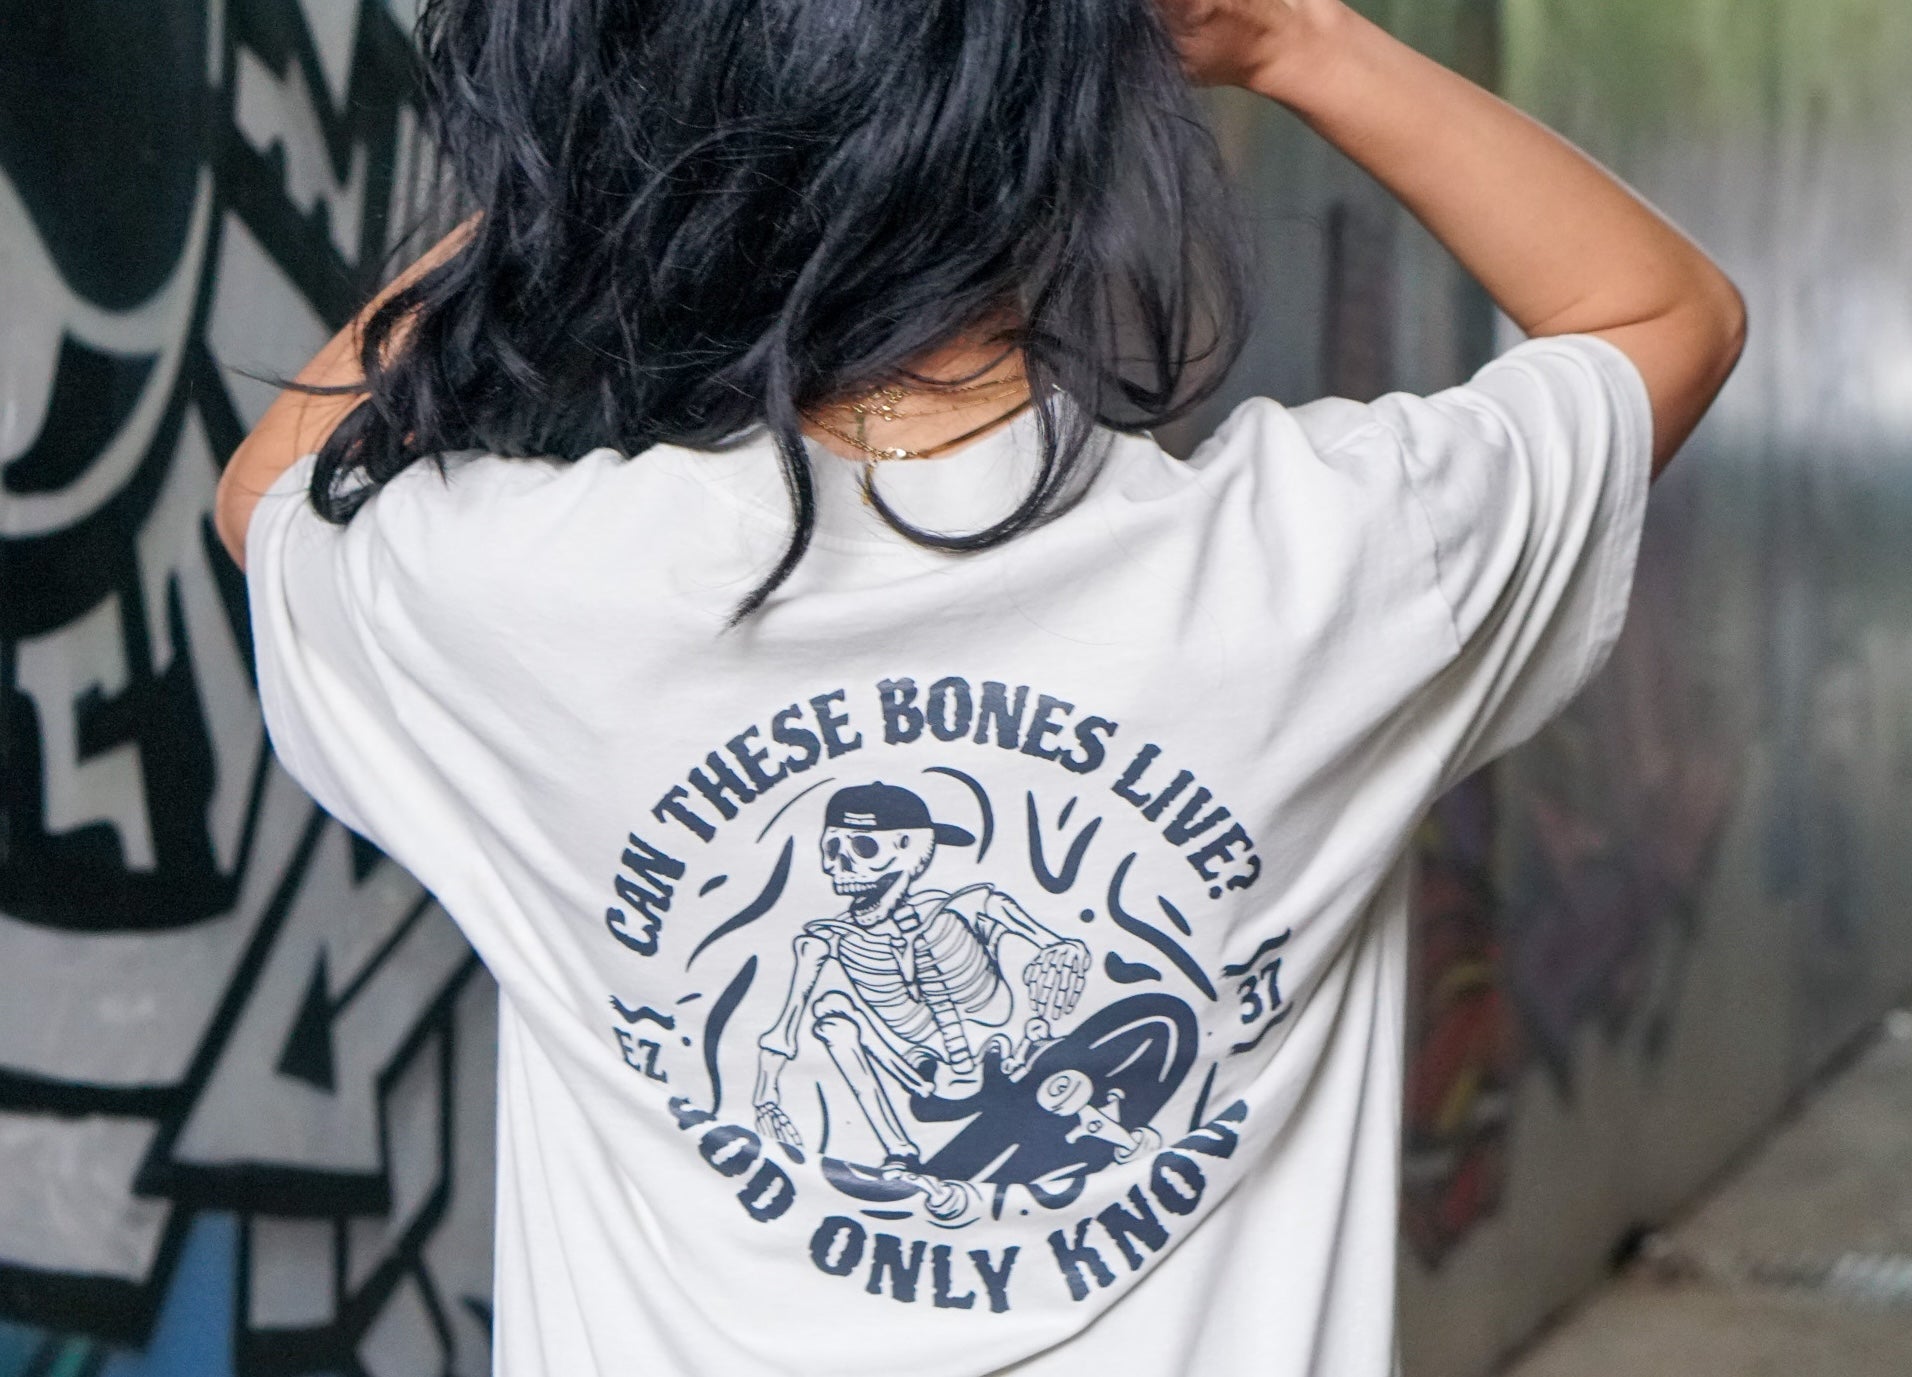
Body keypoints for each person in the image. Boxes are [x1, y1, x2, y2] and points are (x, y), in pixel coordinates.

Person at [215, 0, 1744, 1372]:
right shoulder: (1327, 561)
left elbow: (269, 496)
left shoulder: (526, 597)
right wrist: (1295, 40)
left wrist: (585, 185)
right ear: (1069, 133)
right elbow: (1663, 312)